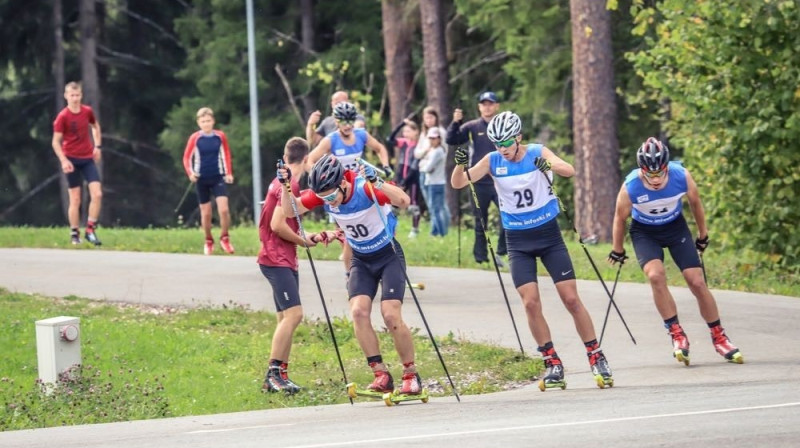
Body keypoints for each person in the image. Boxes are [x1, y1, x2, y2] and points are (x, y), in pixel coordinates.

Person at [450, 111, 614, 390]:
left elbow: (568, 170)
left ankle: (596, 355)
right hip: (517, 241)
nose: (503, 149)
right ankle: (552, 362)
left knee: (571, 299)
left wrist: (545, 164)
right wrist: (459, 165)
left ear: (519, 137)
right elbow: (459, 182)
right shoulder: (492, 160)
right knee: (530, 302)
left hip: (548, 236)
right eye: (497, 144)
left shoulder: (536, 151)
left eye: (507, 143)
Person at [280, 154, 425, 396]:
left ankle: (410, 374)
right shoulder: (324, 191)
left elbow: (403, 199)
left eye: (330, 196)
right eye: (323, 198)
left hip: (388, 255)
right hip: (361, 259)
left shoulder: (364, 188)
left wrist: (377, 182)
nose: (328, 202)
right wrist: (286, 187)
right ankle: (380, 373)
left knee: (390, 314)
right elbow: (289, 210)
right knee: (358, 312)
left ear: (343, 184)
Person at [608, 137, 743, 366]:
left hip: (675, 227)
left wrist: (703, 235)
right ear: (642, 170)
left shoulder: (681, 175)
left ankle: (719, 336)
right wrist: (617, 249)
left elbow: (696, 204)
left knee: (696, 282)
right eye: (650, 175)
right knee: (655, 276)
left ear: (667, 167)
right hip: (645, 232)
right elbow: (620, 218)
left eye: (660, 173)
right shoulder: (630, 185)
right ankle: (677, 333)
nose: (656, 179)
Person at [258, 137, 341, 394]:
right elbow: (277, 225)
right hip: (277, 258)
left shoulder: (282, 181)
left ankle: (280, 375)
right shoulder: (289, 184)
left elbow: (287, 222)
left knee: (285, 317)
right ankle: (273, 375)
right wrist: (303, 242)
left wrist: (312, 237)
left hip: (280, 257)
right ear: (306, 160)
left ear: (286, 155)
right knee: (294, 315)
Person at [307, 101, 393, 275]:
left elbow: (379, 148)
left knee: (379, 226)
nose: (348, 125)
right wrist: (321, 179)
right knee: (349, 238)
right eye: (343, 121)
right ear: (336, 122)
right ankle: (350, 275)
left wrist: (386, 165)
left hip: (360, 191)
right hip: (340, 194)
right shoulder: (331, 140)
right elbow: (309, 160)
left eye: (350, 121)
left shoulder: (361, 134)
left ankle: (382, 267)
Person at [446, 91, 507, 267]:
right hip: (478, 181)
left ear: (496, 106)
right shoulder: (472, 126)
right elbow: (452, 139)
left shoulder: (502, 126)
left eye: (490, 103)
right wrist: (455, 122)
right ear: (479, 107)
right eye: (484, 104)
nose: (487, 107)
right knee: (481, 221)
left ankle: (503, 251)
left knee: (507, 216)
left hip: (500, 179)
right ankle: (481, 258)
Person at [51, 81, 103, 246]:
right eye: (71, 95)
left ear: (81, 96)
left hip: (87, 158)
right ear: (66, 96)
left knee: (97, 194)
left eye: (77, 95)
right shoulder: (62, 117)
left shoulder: (87, 111)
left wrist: (98, 146)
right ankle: (75, 233)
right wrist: (64, 160)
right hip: (71, 160)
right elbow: (55, 142)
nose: (75, 98)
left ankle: (90, 230)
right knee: (75, 199)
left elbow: (95, 126)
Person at [182, 107, 235, 255]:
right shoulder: (195, 138)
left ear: (213, 121)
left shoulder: (220, 136)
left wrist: (228, 173)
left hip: (217, 176)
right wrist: (191, 173)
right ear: (199, 123)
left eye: (208, 121)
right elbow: (187, 157)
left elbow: (226, 154)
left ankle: (225, 238)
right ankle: (208, 240)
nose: (206, 124)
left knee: (224, 209)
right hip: (201, 178)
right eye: (203, 121)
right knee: (206, 213)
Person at [387, 118, 422, 238]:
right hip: (401, 173)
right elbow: (390, 139)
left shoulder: (419, 145)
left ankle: (415, 229)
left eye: (408, 131)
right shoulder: (404, 142)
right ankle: (391, 227)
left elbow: (414, 165)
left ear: (416, 132)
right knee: (395, 202)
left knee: (413, 204)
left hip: (413, 176)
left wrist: (404, 181)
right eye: (404, 131)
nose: (405, 134)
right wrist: (401, 123)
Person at [414, 106, 448, 209]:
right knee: (430, 203)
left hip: (434, 171)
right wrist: (425, 150)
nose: (428, 120)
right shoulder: (424, 133)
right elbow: (417, 153)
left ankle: (443, 224)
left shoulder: (440, 132)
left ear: (436, 118)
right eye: (426, 118)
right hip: (423, 169)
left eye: (431, 117)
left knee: (437, 205)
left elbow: (444, 151)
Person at [419, 127, 449, 237]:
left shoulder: (437, 151)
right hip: (437, 182)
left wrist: (424, 164)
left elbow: (427, 168)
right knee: (436, 208)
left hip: (434, 183)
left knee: (435, 210)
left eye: (434, 138)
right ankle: (435, 232)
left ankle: (441, 233)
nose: (432, 140)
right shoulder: (435, 151)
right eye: (430, 138)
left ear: (439, 139)